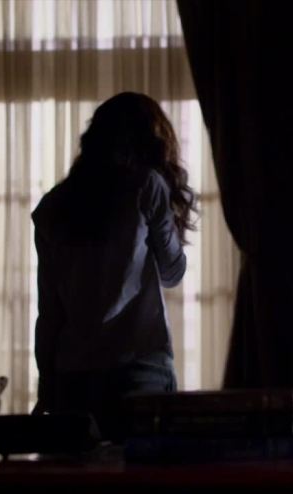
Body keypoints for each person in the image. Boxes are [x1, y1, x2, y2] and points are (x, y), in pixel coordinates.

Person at [30, 92, 196, 441]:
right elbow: (172, 273)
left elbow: (50, 311)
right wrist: (164, 215)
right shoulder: (146, 185)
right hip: (138, 366)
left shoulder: (52, 207)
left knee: (80, 472)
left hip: (73, 376)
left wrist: (47, 385)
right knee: (144, 467)